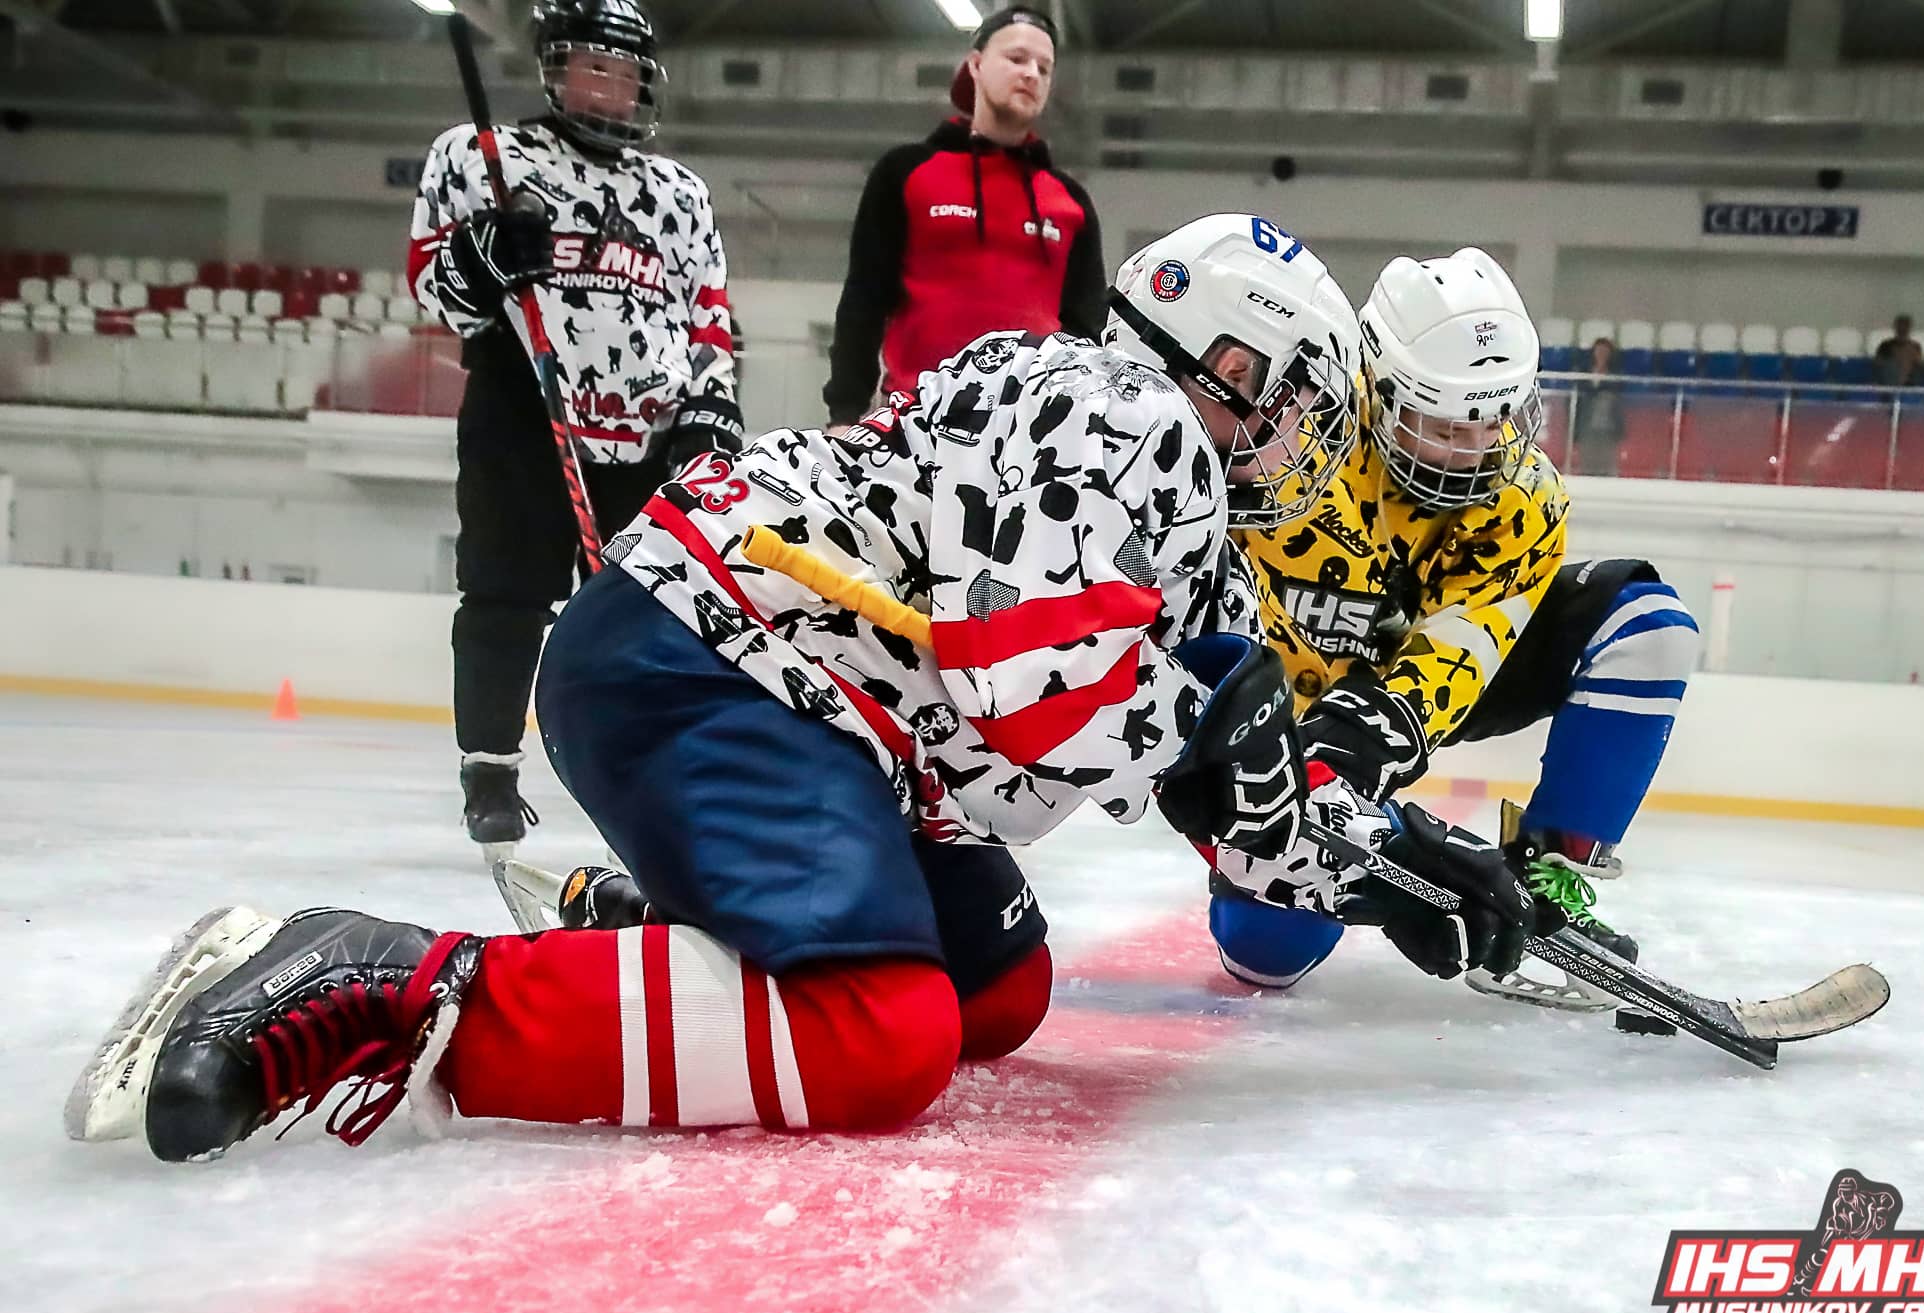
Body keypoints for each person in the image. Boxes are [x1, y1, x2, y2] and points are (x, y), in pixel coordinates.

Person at [67, 216, 1562, 1163]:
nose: (1314, 430)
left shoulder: (1193, 526)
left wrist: (1367, 857)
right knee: (880, 1034)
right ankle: (379, 973)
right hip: (710, 654)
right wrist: (1220, 745)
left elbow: (1216, 770)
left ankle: (651, 923)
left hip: (824, 716)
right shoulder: (1110, 404)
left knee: (998, 987)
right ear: (1222, 365)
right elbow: (1031, 679)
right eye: (1299, 392)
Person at [1211, 248, 1700, 1009]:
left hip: (1418, 690)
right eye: (1442, 423)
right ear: (1374, 388)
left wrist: (1377, 735)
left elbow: (1461, 645)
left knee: (1649, 624)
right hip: (1287, 713)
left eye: (1493, 420)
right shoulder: (1285, 452)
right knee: (1265, 953)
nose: (1474, 451)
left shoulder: (1526, 498)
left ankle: (1549, 876)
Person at [409, 0, 744, 861]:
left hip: (648, 431)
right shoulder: (482, 158)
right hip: (526, 406)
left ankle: (655, 764)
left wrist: (710, 413)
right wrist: (481, 255)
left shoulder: (678, 193)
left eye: (626, 70)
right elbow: (431, 293)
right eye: (595, 65)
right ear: (555, 70)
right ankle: (489, 770)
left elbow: (708, 314)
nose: (612, 85)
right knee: (504, 595)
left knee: (653, 610)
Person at [821, 4, 1105, 430]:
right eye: (1016, 59)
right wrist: (844, 413)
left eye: (1044, 69)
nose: (1031, 74)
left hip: (1030, 435)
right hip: (915, 424)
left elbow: (1086, 337)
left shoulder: (1071, 202)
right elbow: (864, 299)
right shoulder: (906, 173)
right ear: (975, 65)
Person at [1570, 335, 1625, 476]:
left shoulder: (1615, 376)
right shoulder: (1584, 374)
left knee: (1606, 465)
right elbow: (1578, 401)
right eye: (1599, 350)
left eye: (1605, 351)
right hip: (1587, 427)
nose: (1601, 354)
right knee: (1587, 464)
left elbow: (1619, 404)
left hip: (1608, 428)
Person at [1872, 314, 1924, 387]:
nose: (1902, 329)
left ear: (1909, 329)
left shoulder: (1915, 347)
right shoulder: (1885, 346)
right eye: (1900, 327)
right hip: (1889, 383)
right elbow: (1878, 365)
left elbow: (1920, 365)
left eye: (1905, 327)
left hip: (1908, 385)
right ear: (1895, 328)